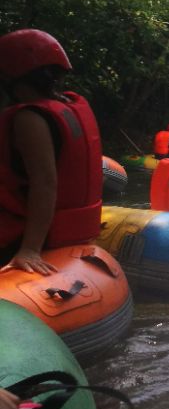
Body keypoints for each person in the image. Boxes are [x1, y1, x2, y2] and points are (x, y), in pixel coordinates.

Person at [0, 29, 103, 274]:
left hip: (29, 236)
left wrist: (30, 249)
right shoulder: (66, 107)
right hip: (69, 232)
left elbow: (45, 183)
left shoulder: (29, 118)